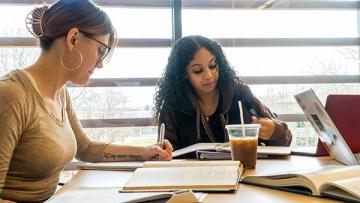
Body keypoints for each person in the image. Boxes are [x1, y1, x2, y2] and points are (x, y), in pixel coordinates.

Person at [0, 0, 172, 202]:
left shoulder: (60, 93)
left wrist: (144, 152)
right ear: (73, 38)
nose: (100, 64)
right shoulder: (11, 95)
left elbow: (85, 149)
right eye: (101, 50)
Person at [154, 35, 292, 150]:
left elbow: (285, 140)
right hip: (195, 180)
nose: (209, 75)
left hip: (244, 177)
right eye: (198, 70)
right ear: (184, 74)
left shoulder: (240, 94)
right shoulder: (173, 105)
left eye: (213, 65)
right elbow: (168, 156)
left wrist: (275, 131)